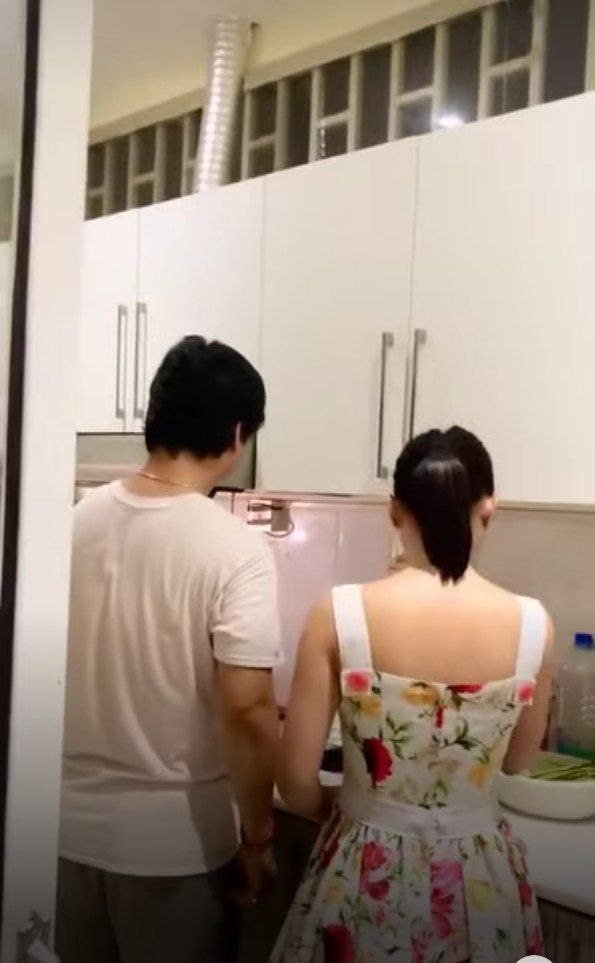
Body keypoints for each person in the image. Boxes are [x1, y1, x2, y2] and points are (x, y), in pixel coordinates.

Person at [273, 426, 553, 963]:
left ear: (395, 511)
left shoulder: (340, 614)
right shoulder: (533, 625)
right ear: (488, 508)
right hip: (480, 879)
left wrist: (354, 809)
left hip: (363, 869)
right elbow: (518, 761)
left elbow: (295, 781)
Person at [57, 336, 281, 963]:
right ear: (237, 435)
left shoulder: (74, 522)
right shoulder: (236, 549)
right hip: (173, 850)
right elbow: (248, 707)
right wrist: (258, 835)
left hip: (63, 836)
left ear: (153, 415)